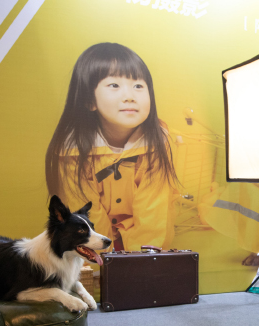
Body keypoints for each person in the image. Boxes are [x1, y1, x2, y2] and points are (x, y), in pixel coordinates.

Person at [45, 43, 177, 252]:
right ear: (90, 101)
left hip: (141, 248)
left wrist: (141, 261)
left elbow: (154, 216)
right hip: (93, 248)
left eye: (138, 86)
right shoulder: (72, 151)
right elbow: (83, 218)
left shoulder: (158, 144)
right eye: (114, 85)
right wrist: (106, 262)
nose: (130, 96)